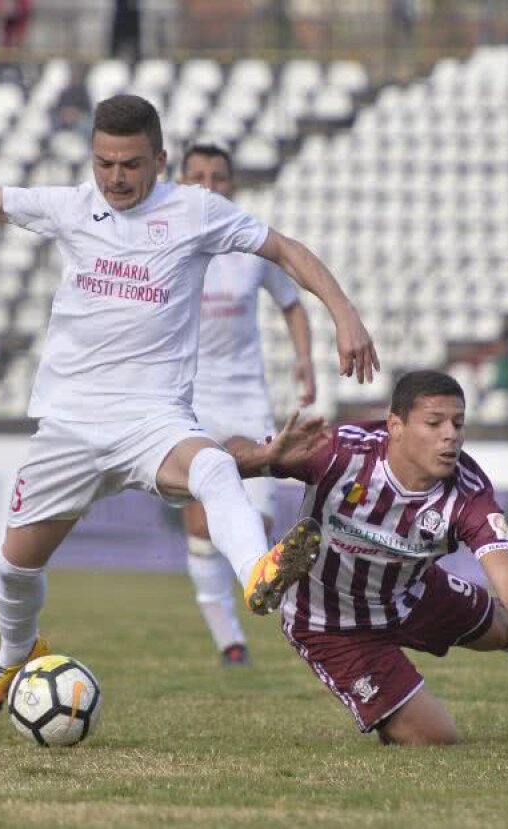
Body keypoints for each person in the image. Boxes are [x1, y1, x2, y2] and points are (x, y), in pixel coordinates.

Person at [0, 94, 379, 718]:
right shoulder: (71, 207)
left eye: (131, 164)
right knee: (13, 571)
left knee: (213, 469)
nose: (117, 178)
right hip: (69, 426)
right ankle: (15, 652)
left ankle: (259, 573)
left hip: (154, 420)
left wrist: (344, 315)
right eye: (105, 163)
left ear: (160, 160)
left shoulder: (196, 211)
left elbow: (286, 250)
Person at [225, 370, 508, 746]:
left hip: (414, 594)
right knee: (434, 738)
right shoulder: (339, 451)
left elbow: (506, 574)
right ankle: (391, 711)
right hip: (331, 624)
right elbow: (230, 458)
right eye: (435, 423)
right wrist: (262, 454)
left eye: (458, 424)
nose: (451, 435)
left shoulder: (467, 491)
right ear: (396, 425)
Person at [178, 143, 317, 667]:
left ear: (233, 185)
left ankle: (272, 602)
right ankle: (228, 640)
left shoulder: (250, 242)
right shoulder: (169, 240)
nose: (209, 186)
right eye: (198, 176)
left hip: (244, 399)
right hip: (187, 398)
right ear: (180, 179)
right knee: (198, 525)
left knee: (254, 528)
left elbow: (291, 303)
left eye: (218, 177)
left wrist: (304, 361)